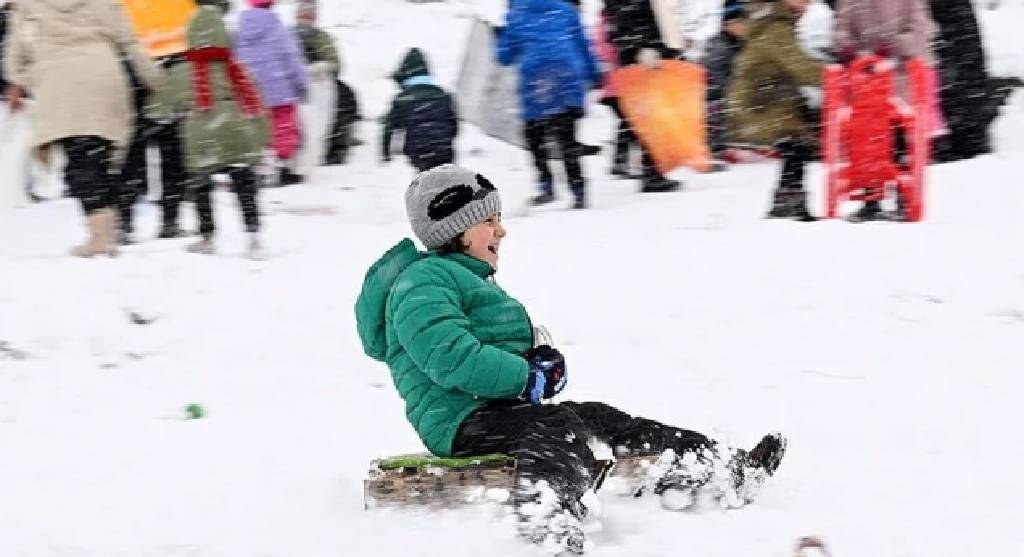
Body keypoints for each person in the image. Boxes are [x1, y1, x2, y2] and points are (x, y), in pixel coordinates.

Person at [355, 164, 787, 555]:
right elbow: (448, 357)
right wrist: (526, 378)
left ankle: (716, 467)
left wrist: (539, 358)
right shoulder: (422, 282)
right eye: (489, 220)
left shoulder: (463, 279)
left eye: (499, 218)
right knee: (559, 431)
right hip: (461, 420)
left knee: (601, 418)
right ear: (455, 227)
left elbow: (487, 345)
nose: (501, 231)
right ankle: (547, 521)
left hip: (497, 408)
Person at [4, 0, 160, 257]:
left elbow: (17, 48)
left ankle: (100, 235)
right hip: (104, 75)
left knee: (80, 161)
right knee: (101, 155)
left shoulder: (28, 4)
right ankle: (109, 228)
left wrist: (17, 81)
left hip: (59, 81)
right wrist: (153, 79)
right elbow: (128, 41)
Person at [147, 4, 270, 259]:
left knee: (202, 186)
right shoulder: (236, 67)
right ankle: (254, 236)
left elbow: (159, 108)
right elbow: (257, 103)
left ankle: (207, 236)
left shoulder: (182, 71)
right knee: (244, 184)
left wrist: (163, 111)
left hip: (202, 137)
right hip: (236, 133)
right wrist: (261, 140)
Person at [833, 0, 936, 221]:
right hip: (863, 78)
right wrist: (850, 49)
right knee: (865, 139)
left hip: (898, 76)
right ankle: (870, 196)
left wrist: (894, 47)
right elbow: (841, 27)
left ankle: (902, 196)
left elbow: (920, 29)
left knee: (898, 136)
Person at [496, 0, 600, 209]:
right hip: (567, 75)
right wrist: (594, 74)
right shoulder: (566, 10)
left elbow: (504, 57)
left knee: (534, 136)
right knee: (567, 137)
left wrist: (500, 36)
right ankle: (578, 191)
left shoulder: (517, 13)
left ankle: (546, 186)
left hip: (537, 80)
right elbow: (582, 45)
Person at [727, 0, 822, 221]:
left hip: (764, 96)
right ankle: (789, 201)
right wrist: (836, 75)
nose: (807, 4)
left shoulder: (771, 22)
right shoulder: (777, 27)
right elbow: (800, 67)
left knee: (798, 140)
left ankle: (786, 200)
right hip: (762, 100)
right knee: (798, 141)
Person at [602, 0, 685, 192]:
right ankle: (652, 173)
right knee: (649, 117)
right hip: (642, 60)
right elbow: (622, 24)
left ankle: (653, 170)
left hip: (646, 56)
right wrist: (642, 47)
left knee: (649, 117)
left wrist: (668, 50)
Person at [236, 0, 308, 186]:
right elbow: (291, 58)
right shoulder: (279, 29)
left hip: (250, 91)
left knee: (255, 129)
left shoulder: (239, 31)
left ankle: (258, 167)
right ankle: (282, 167)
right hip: (279, 89)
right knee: (283, 128)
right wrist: (301, 84)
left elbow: (235, 60)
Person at [293, 0, 361, 166]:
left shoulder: (322, 37)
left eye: (310, 14)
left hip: (321, 81)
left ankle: (337, 146)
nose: (306, 17)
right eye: (303, 13)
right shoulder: (287, 36)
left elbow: (336, 63)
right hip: (294, 81)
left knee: (345, 96)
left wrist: (323, 68)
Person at [381, 48, 458, 173]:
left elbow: (389, 128)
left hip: (419, 150)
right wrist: (445, 140)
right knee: (444, 179)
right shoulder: (443, 95)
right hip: (444, 149)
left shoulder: (403, 99)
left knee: (425, 178)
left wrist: (385, 153)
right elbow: (453, 125)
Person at [704, 0, 747, 158]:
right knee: (718, 105)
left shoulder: (737, 42)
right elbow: (717, 82)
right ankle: (714, 146)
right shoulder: (720, 48)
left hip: (726, 93)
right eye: (741, 22)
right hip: (714, 97)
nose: (745, 26)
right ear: (727, 24)